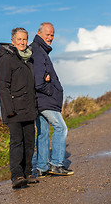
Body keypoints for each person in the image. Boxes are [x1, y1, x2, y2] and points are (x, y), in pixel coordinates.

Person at [0, 27, 39, 189]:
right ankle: (17, 176)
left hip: (28, 108)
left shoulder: (27, 58)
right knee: (17, 143)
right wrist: (9, 110)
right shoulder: (6, 59)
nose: (22, 42)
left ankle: (28, 173)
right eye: (19, 39)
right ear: (12, 40)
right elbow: (3, 86)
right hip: (13, 110)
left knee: (29, 142)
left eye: (24, 39)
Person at [30, 22, 74, 177]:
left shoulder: (38, 49)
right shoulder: (38, 51)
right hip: (44, 99)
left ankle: (41, 167)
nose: (50, 38)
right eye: (47, 34)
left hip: (38, 100)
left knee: (42, 133)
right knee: (61, 128)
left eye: (52, 35)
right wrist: (53, 91)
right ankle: (56, 164)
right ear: (39, 33)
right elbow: (39, 81)